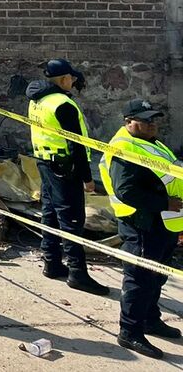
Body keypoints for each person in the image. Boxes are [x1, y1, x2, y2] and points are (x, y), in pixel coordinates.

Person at [99, 99, 183, 359]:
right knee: (139, 279)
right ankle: (130, 332)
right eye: (145, 121)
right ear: (128, 122)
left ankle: (150, 319)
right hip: (142, 224)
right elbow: (127, 191)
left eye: (153, 120)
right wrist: (165, 203)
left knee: (156, 276)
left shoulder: (149, 143)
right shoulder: (125, 148)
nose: (151, 125)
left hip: (164, 223)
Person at [26, 58, 107, 295]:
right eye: (71, 77)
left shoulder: (37, 99)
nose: (73, 81)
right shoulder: (63, 104)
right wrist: (86, 178)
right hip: (65, 167)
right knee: (72, 220)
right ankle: (78, 273)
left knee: (50, 214)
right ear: (63, 79)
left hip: (45, 162)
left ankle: (51, 263)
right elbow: (77, 146)